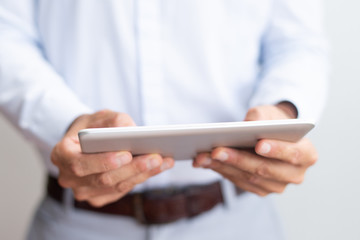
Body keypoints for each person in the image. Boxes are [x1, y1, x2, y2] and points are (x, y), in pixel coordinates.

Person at [0, 1, 328, 239]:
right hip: (77, 226)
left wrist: (282, 113)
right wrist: (69, 124)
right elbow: (6, 34)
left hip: (239, 223)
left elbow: (297, 40)